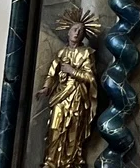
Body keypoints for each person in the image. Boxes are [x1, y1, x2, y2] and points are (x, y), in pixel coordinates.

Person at [38, 9, 100, 168]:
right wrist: (45, 88)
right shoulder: (61, 53)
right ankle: (50, 161)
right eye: (74, 29)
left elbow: (91, 78)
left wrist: (73, 72)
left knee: (73, 131)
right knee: (55, 128)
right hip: (60, 96)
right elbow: (52, 73)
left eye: (81, 31)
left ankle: (69, 163)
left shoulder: (86, 53)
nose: (77, 33)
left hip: (77, 98)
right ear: (68, 32)